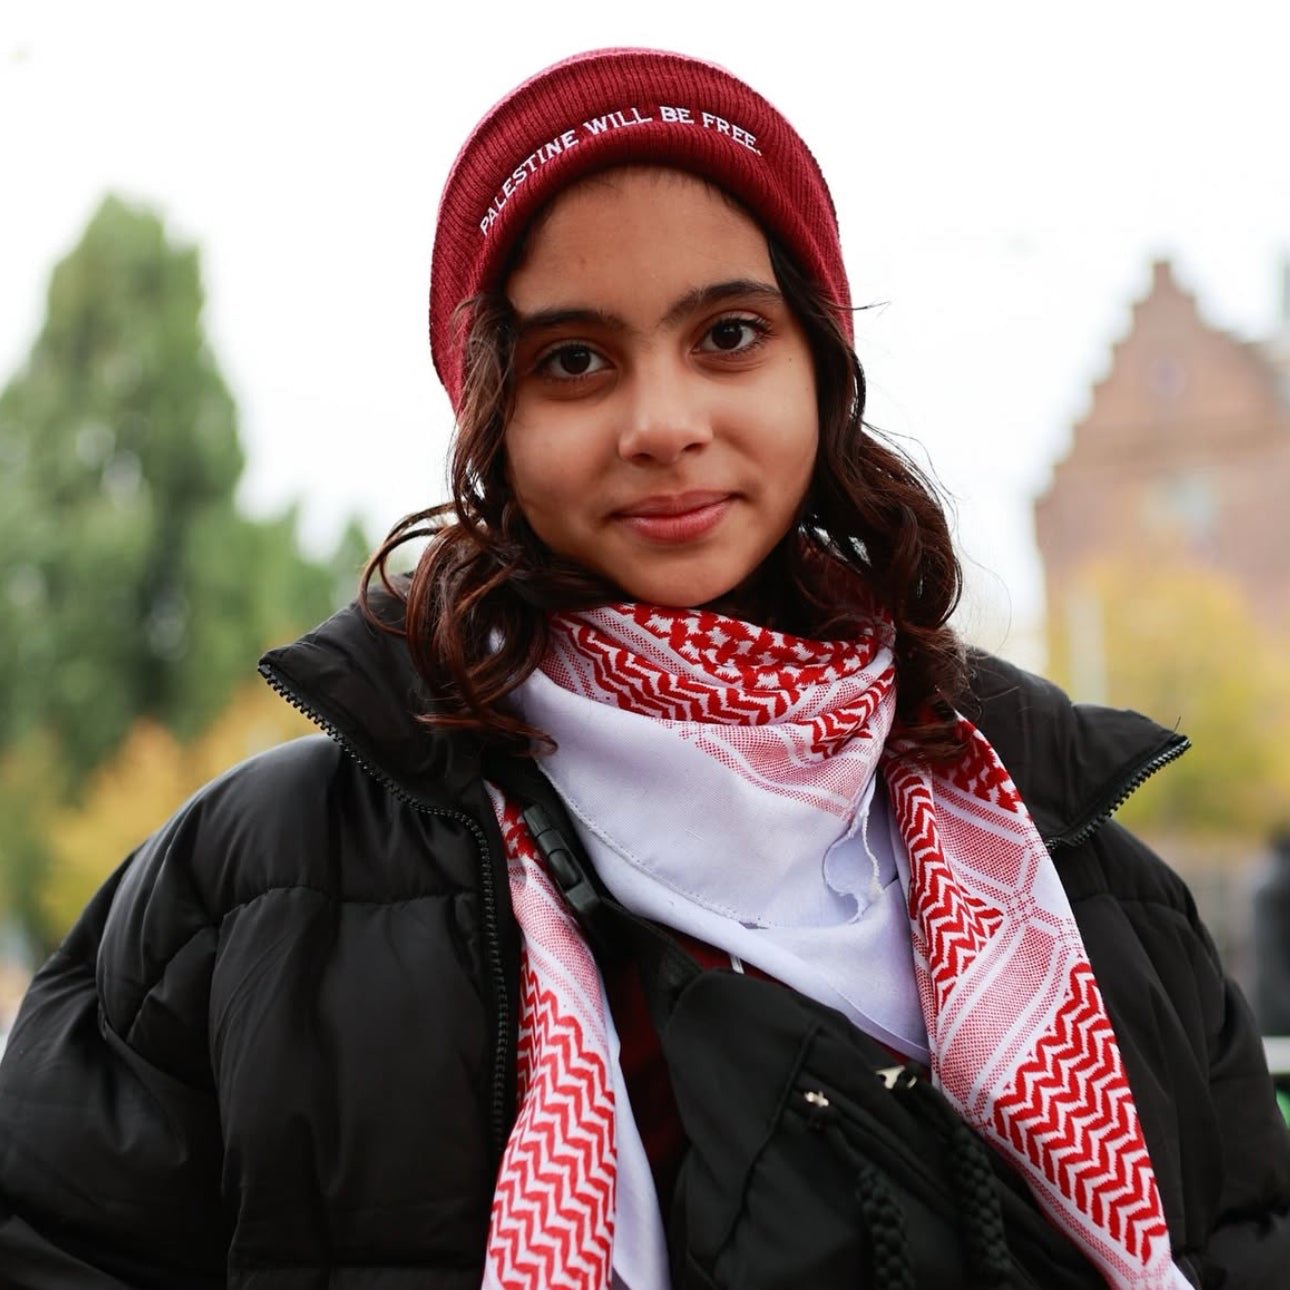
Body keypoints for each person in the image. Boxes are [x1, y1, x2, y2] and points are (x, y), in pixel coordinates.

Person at [0, 47, 1286, 1290]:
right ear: (494, 415)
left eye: (728, 334)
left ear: (819, 373)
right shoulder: (260, 883)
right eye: (574, 361)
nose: (664, 424)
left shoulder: (1087, 880)